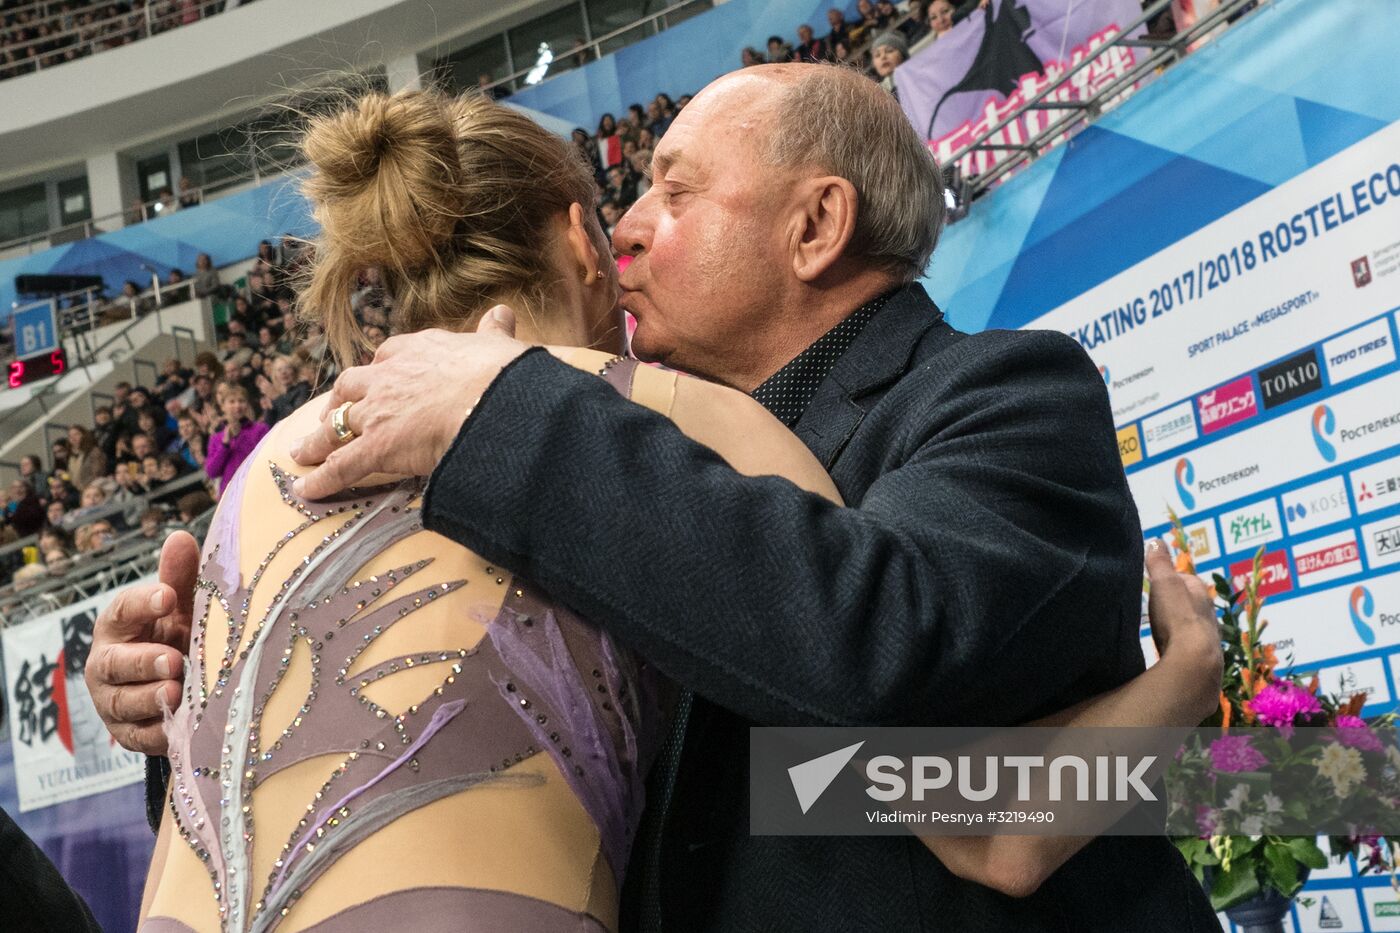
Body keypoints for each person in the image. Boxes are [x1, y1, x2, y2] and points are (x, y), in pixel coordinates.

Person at [91, 71, 1220, 932]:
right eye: (625, 199)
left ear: (815, 227)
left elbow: (885, 649)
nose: (625, 228)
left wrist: (511, 413)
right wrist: (185, 698)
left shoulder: (997, 390)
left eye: (673, 193)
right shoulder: (598, 469)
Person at [203, 381, 269, 496]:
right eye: (232, 402)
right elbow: (212, 472)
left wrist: (239, 436)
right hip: (231, 494)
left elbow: (264, 458)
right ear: (223, 406)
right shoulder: (216, 438)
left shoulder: (260, 429)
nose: (237, 406)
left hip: (258, 486)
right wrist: (225, 445)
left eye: (241, 401)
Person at [870, 32, 909, 97]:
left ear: (903, 55)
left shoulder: (915, 78)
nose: (883, 57)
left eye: (889, 51)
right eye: (877, 55)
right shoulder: (876, 95)